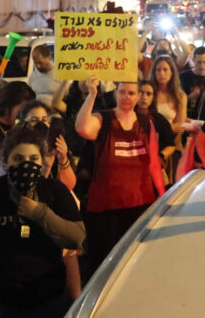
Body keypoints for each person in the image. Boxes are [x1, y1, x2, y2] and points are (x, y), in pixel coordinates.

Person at [0, 124, 85, 317]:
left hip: (43, 297)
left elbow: (76, 237)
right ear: (5, 161)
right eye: (18, 159)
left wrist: (39, 213)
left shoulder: (54, 191)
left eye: (33, 159)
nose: (25, 165)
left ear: (42, 161)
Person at [75, 79, 165, 276]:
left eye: (131, 93)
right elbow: (82, 128)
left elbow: (153, 164)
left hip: (139, 204)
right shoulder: (103, 119)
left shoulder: (145, 123)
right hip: (106, 207)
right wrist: (91, 95)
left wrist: (163, 196)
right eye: (122, 92)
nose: (126, 97)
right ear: (116, 93)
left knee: (135, 262)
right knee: (103, 262)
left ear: (139, 96)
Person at [149, 54, 187, 133]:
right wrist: (170, 127)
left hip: (171, 140)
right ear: (154, 73)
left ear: (172, 72)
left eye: (165, 69)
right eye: (158, 70)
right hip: (149, 136)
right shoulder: (148, 92)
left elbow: (180, 125)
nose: (161, 73)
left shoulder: (180, 96)